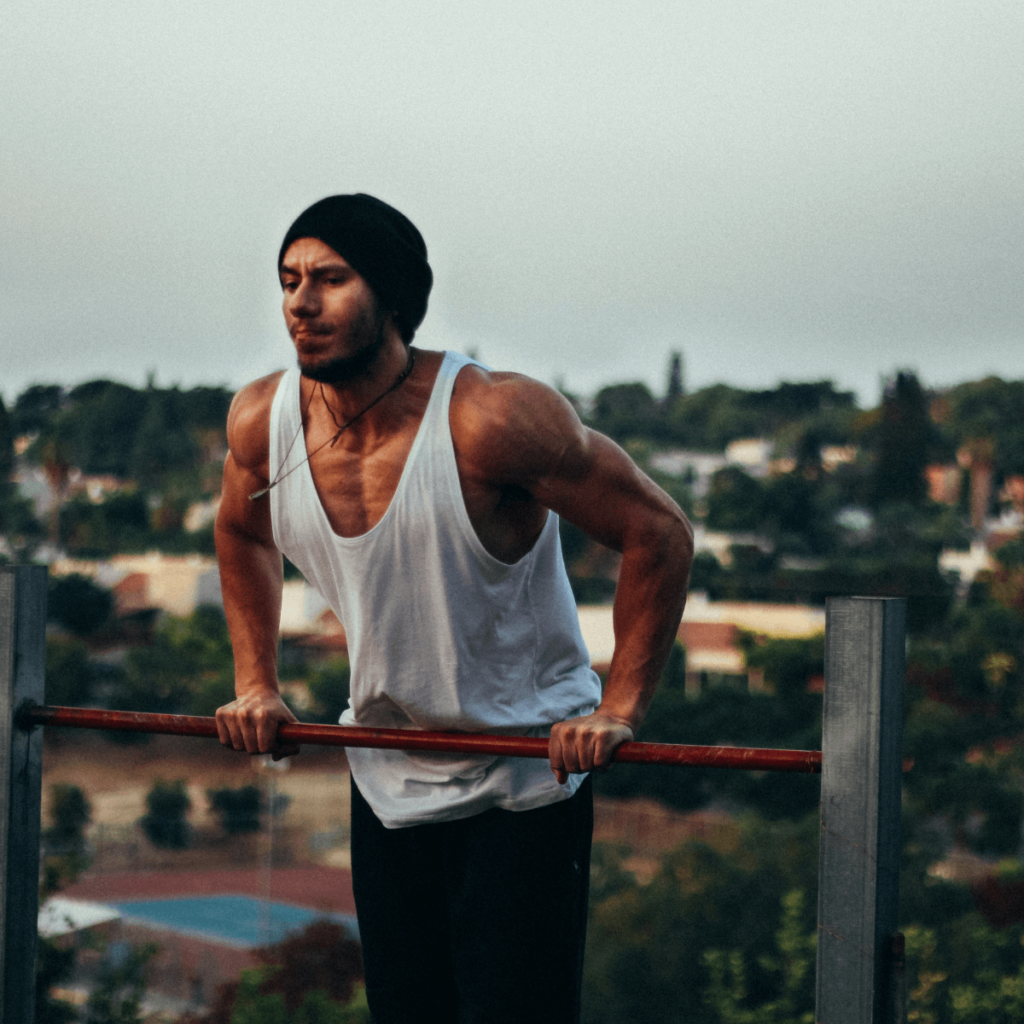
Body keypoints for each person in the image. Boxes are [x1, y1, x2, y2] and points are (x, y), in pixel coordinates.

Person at [214, 193, 694, 1023]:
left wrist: (618, 707)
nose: (300, 302)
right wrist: (255, 681)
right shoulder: (262, 422)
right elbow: (239, 531)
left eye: (330, 279)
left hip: (526, 773)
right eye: (289, 280)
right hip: (387, 768)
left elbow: (659, 532)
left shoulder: (492, 418)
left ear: (394, 297)